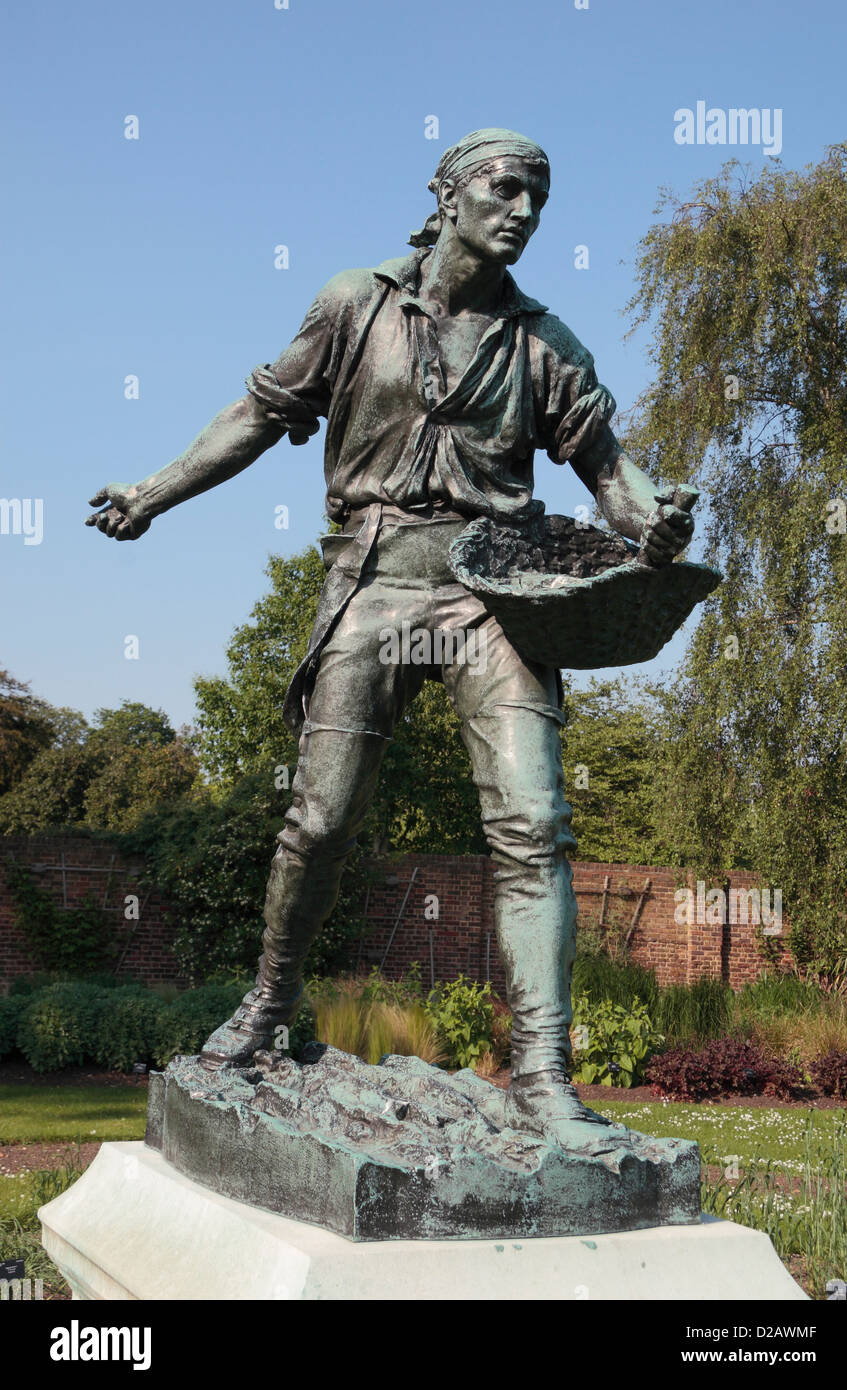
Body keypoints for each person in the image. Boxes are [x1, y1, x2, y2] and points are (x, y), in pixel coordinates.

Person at [86, 129, 693, 1150]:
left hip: (499, 592)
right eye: (504, 190)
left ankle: (543, 1074)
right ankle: (267, 1007)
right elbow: (256, 412)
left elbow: (610, 475)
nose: (523, 212)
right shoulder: (352, 302)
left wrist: (651, 522)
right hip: (371, 582)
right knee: (319, 823)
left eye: (537, 199)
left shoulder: (545, 343)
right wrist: (151, 492)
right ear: (449, 195)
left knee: (533, 825)